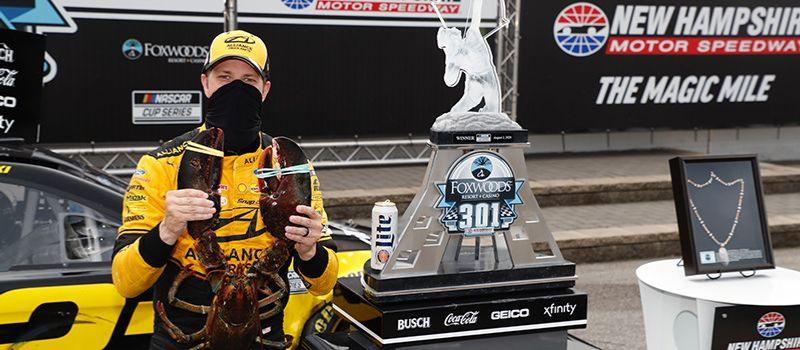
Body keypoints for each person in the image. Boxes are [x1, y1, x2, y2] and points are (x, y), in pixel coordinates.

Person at [111, 30, 338, 349]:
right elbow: (125, 283)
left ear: (265, 89)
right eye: (225, 77)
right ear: (206, 83)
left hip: (263, 332)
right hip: (183, 335)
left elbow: (324, 284)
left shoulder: (287, 167)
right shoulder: (160, 164)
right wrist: (167, 229)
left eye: (248, 80)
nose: (236, 89)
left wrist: (309, 249)